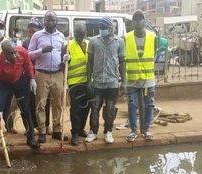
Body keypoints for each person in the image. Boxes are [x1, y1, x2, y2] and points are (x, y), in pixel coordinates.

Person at [0, 40, 40, 151]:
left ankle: (31, 137)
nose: (15, 56)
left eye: (15, 52)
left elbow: (28, 64)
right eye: (11, 53)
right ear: (4, 54)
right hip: (2, 83)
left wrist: (32, 78)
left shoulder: (22, 52)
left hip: (19, 80)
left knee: (26, 108)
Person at [28, 10, 69, 143]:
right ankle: (42, 131)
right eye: (48, 20)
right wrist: (41, 50)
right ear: (44, 21)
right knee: (41, 103)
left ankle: (57, 130)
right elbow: (29, 55)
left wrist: (66, 58)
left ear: (56, 21)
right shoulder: (37, 36)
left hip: (57, 73)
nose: (50, 22)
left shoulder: (61, 36)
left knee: (58, 103)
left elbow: (64, 53)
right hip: (41, 73)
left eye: (53, 20)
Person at [84, 16, 126, 144]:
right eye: (100, 27)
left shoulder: (119, 42)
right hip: (97, 82)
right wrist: (89, 80)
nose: (101, 30)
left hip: (112, 82)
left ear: (110, 28)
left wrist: (123, 81)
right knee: (94, 107)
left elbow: (122, 61)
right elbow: (90, 62)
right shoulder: (94, 41)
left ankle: (108, 131)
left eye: (103, 28)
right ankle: (93, 132)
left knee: (110, 109)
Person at [124, 10, 157, 142]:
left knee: (149, 104)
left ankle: (146, 129)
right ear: (132, 22)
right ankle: (133, 130)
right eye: (135, 19)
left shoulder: (152, 37)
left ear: (144, 21)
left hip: (148, 78)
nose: (138, 21)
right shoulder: (126, 38)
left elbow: (153, 52)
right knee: (132, 105)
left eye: (140, 18)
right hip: (132, 79)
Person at [22, 17, 52, 135]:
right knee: (32, 101)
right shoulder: (25, 43)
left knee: (46, 101)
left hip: (42, 74)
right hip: (30, 76)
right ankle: (33, 126)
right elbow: (25, 59)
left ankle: (47, 125)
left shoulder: (43, 41)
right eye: (29, 31)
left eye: (33, 31)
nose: (31, 34)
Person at [63, 22, 91, 146]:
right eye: (77, 34)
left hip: (88, 81)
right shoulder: (69, 45)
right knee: (76, 109)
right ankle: (74, 133)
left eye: (82, 34)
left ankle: (80, 129)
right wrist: (65, 60)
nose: (79, 37)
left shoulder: (89, 45)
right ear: (74, 33)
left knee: (86, 107)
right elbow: (64, 65)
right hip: (74, 83)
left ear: (85, 34)